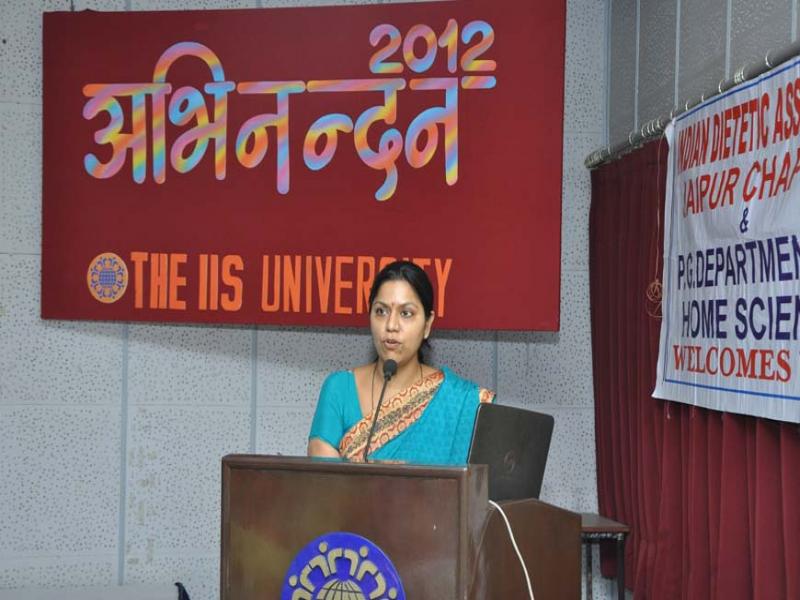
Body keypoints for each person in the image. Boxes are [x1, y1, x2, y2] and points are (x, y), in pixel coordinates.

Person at [307, 260, 495, 464]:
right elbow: (322, 476)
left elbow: (488, 479)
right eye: (381, 311)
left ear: (427, 324)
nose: (391, 325)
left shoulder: (460, 401)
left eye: (406, 313)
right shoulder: (339, 388)